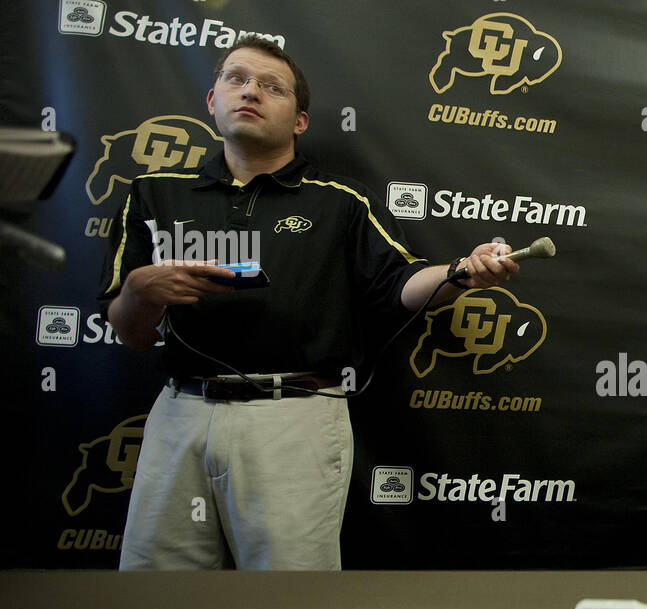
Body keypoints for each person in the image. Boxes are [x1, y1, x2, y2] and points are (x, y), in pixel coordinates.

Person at [99, 35, 519, 571]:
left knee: (291, 596)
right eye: (237, 79)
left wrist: (462, 273)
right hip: (179, 412)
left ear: (299, 120)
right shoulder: (152, 193)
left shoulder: (340, 200)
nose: (250, 91)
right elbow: (130, 334)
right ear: (211, 100)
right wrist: (138, 292)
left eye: (272, 87)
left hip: (293, 417)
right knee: (156, 594)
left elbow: (401, 282)